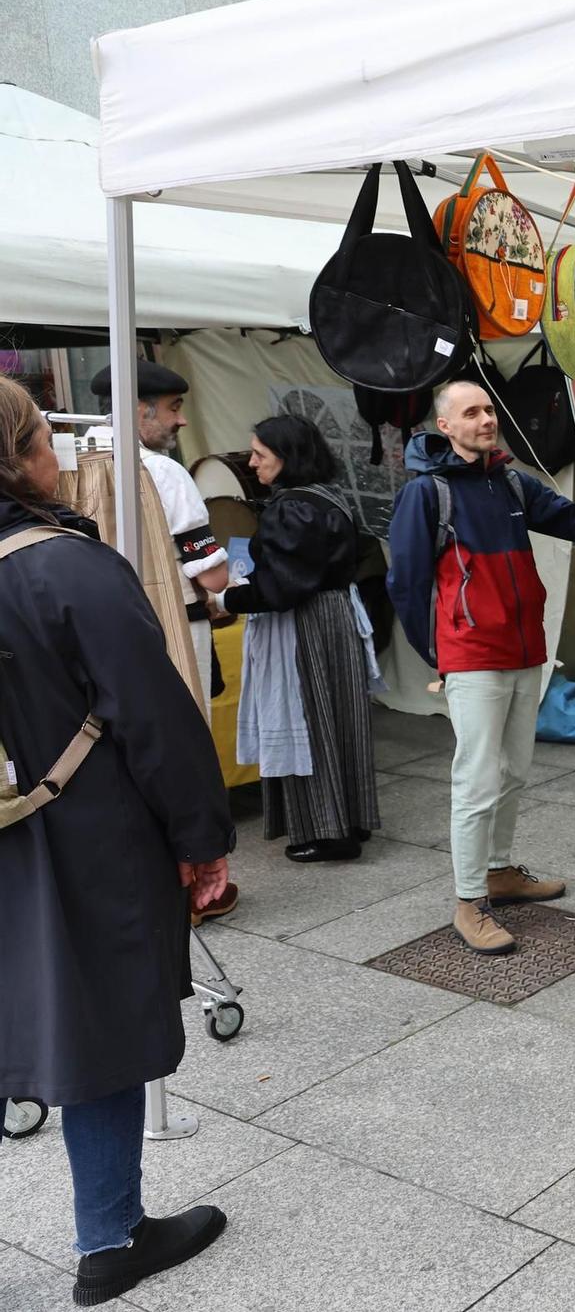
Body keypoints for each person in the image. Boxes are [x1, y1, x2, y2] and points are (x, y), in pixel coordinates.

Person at [0, 376, 235, 1307]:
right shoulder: (65, 565)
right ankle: (110, 1236)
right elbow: (154, 716)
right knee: (96, 1019)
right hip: (79, 830)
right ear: (24, 455)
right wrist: (202, 837)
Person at [387, 380, 575, 956]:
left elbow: (569, 517)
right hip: (473, 655)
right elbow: (406, 583)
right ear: (445, 426)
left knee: (514, 769)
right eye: (470, 412)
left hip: (525, 649)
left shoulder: (510, 479)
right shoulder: (427, 493)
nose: (485, 419)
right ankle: (469, 901)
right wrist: (439, 655)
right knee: (476, 779)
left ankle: (497, 871)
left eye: (488, 409)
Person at [221, 414, 379, 863]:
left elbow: (284, 586)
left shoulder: (293, 507)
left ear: (288, 459)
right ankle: (351, 819)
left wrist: (230, 602)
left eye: (260, 455)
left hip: (308, 622)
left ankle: (332, 834)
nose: (252, 463)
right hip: (336, 615)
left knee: (312, 722)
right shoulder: (328, 496)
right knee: (340, 717)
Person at [90, 361, 230, 712]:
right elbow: (213, 578)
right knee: (186, 726)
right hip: (172, 624)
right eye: (174, 407)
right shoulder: (162, 470)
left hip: (98, 628)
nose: (181, 420)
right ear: (139, 409)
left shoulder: (74, 464)